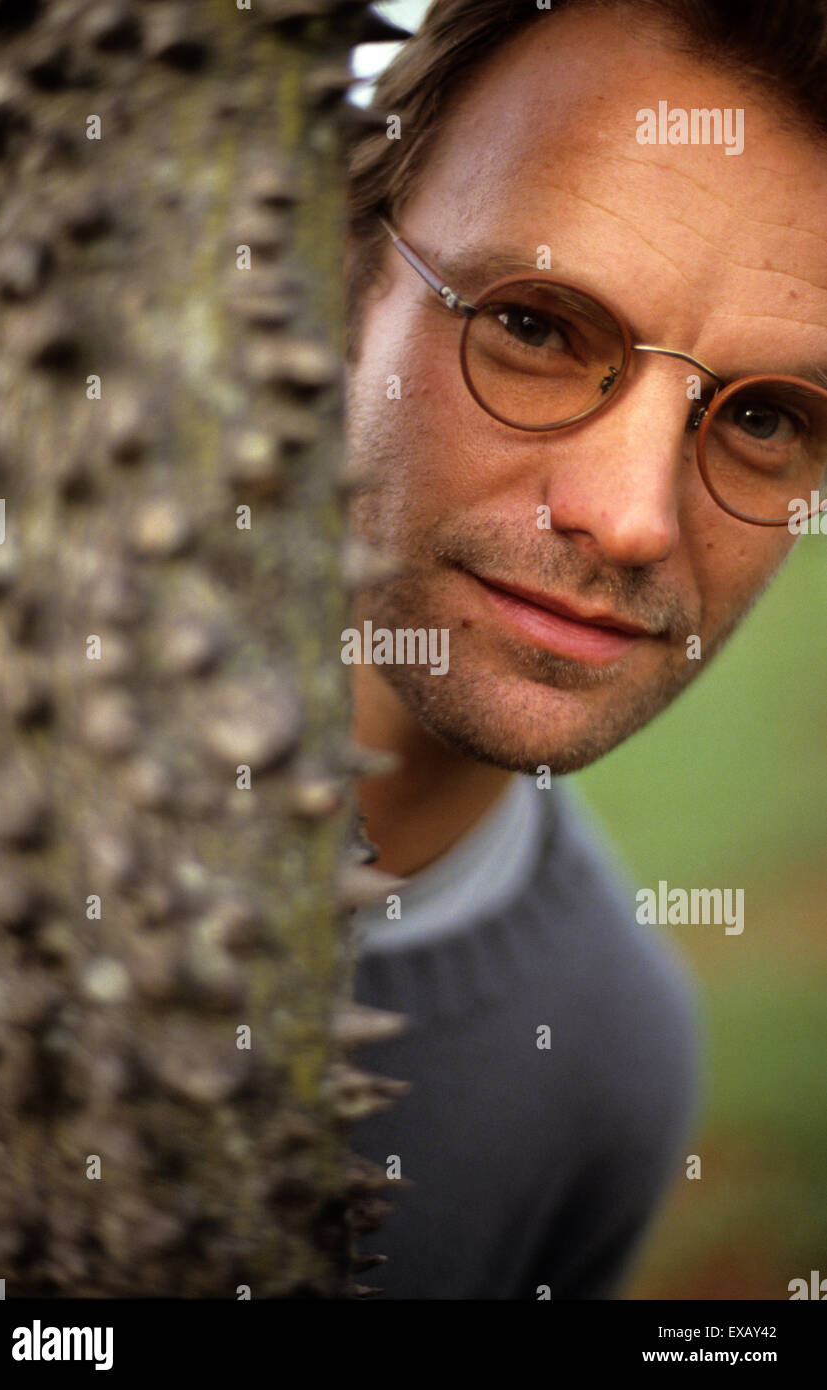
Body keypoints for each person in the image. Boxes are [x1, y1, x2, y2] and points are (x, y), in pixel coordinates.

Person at [341, 0, 827, 1298]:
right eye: (539, 327)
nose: (629, 517)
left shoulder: (611, 1060)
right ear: (335, 283)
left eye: (766, 416)